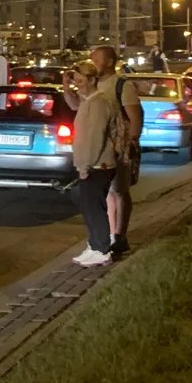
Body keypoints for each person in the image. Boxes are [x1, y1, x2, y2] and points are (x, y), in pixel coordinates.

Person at [64, 45, 140, 256]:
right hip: (96, 154)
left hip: (113, 151)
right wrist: (67, 86)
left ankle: (117, 237)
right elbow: (74, 106)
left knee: (118, 192)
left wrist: (131, 142)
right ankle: (103, 240)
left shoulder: (121, 86)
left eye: (95, 58)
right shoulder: (88, 90)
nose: (92, 61)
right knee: (101, 197)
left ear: (107, 62)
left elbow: (134, 116)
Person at [68, 60, 120, 268]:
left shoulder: (99, 103)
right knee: (88, 206)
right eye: (76, 80)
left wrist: (84, 166)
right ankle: (95, 245)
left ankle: (102, 249)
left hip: (98, 165)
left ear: (92, 79)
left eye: (81, 81)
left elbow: (95, 137)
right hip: (93, 163)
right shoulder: (90, 100)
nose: (78, 84)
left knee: (94, 207)